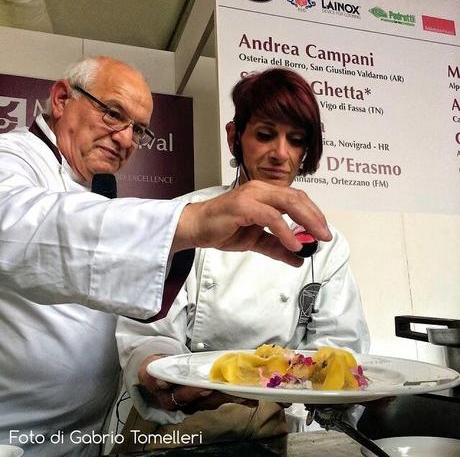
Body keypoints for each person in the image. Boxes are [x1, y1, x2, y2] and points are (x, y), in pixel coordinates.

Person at [0, 58, 332, 456]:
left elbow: (120, 319)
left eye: (138, 129)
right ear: (60, 99)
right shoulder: (12, 156)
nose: (126, 139)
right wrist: (191, 222)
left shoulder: (92, 191)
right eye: (113, 114)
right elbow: (17, 225)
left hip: (83, 435)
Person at [115, 68, 370, 453]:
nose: (280, 154)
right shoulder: (186, 216)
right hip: (183, 427)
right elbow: (149, 334)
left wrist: (342, 383)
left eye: (296, 140)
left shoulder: (326, 244)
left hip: (276, 426)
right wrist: (162, 374)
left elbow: (339, 346)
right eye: (265, 135)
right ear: (236, 137)